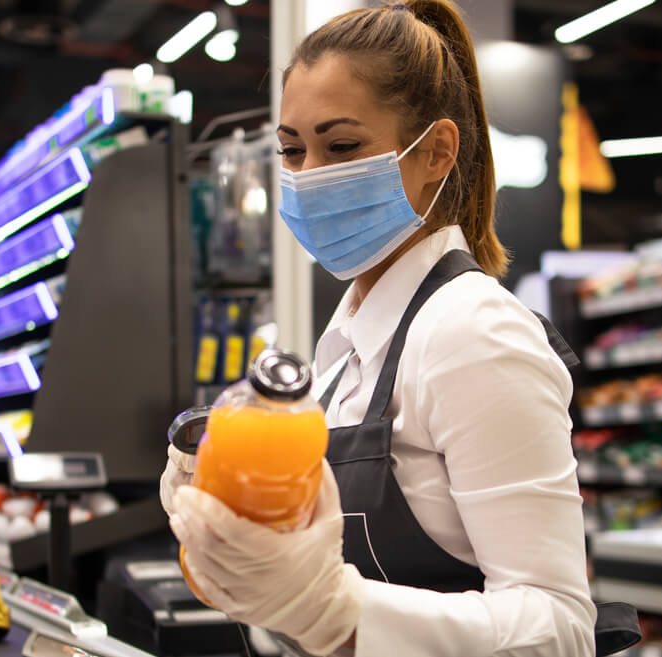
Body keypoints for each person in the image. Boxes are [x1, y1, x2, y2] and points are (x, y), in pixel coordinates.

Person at [163, 1, 596, 655]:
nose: (307, 176)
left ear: (436, 153)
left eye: (341, 146)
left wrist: (338, 608)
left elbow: (561, 627)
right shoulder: (341, 351)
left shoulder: (475, 334)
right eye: (290, 149)